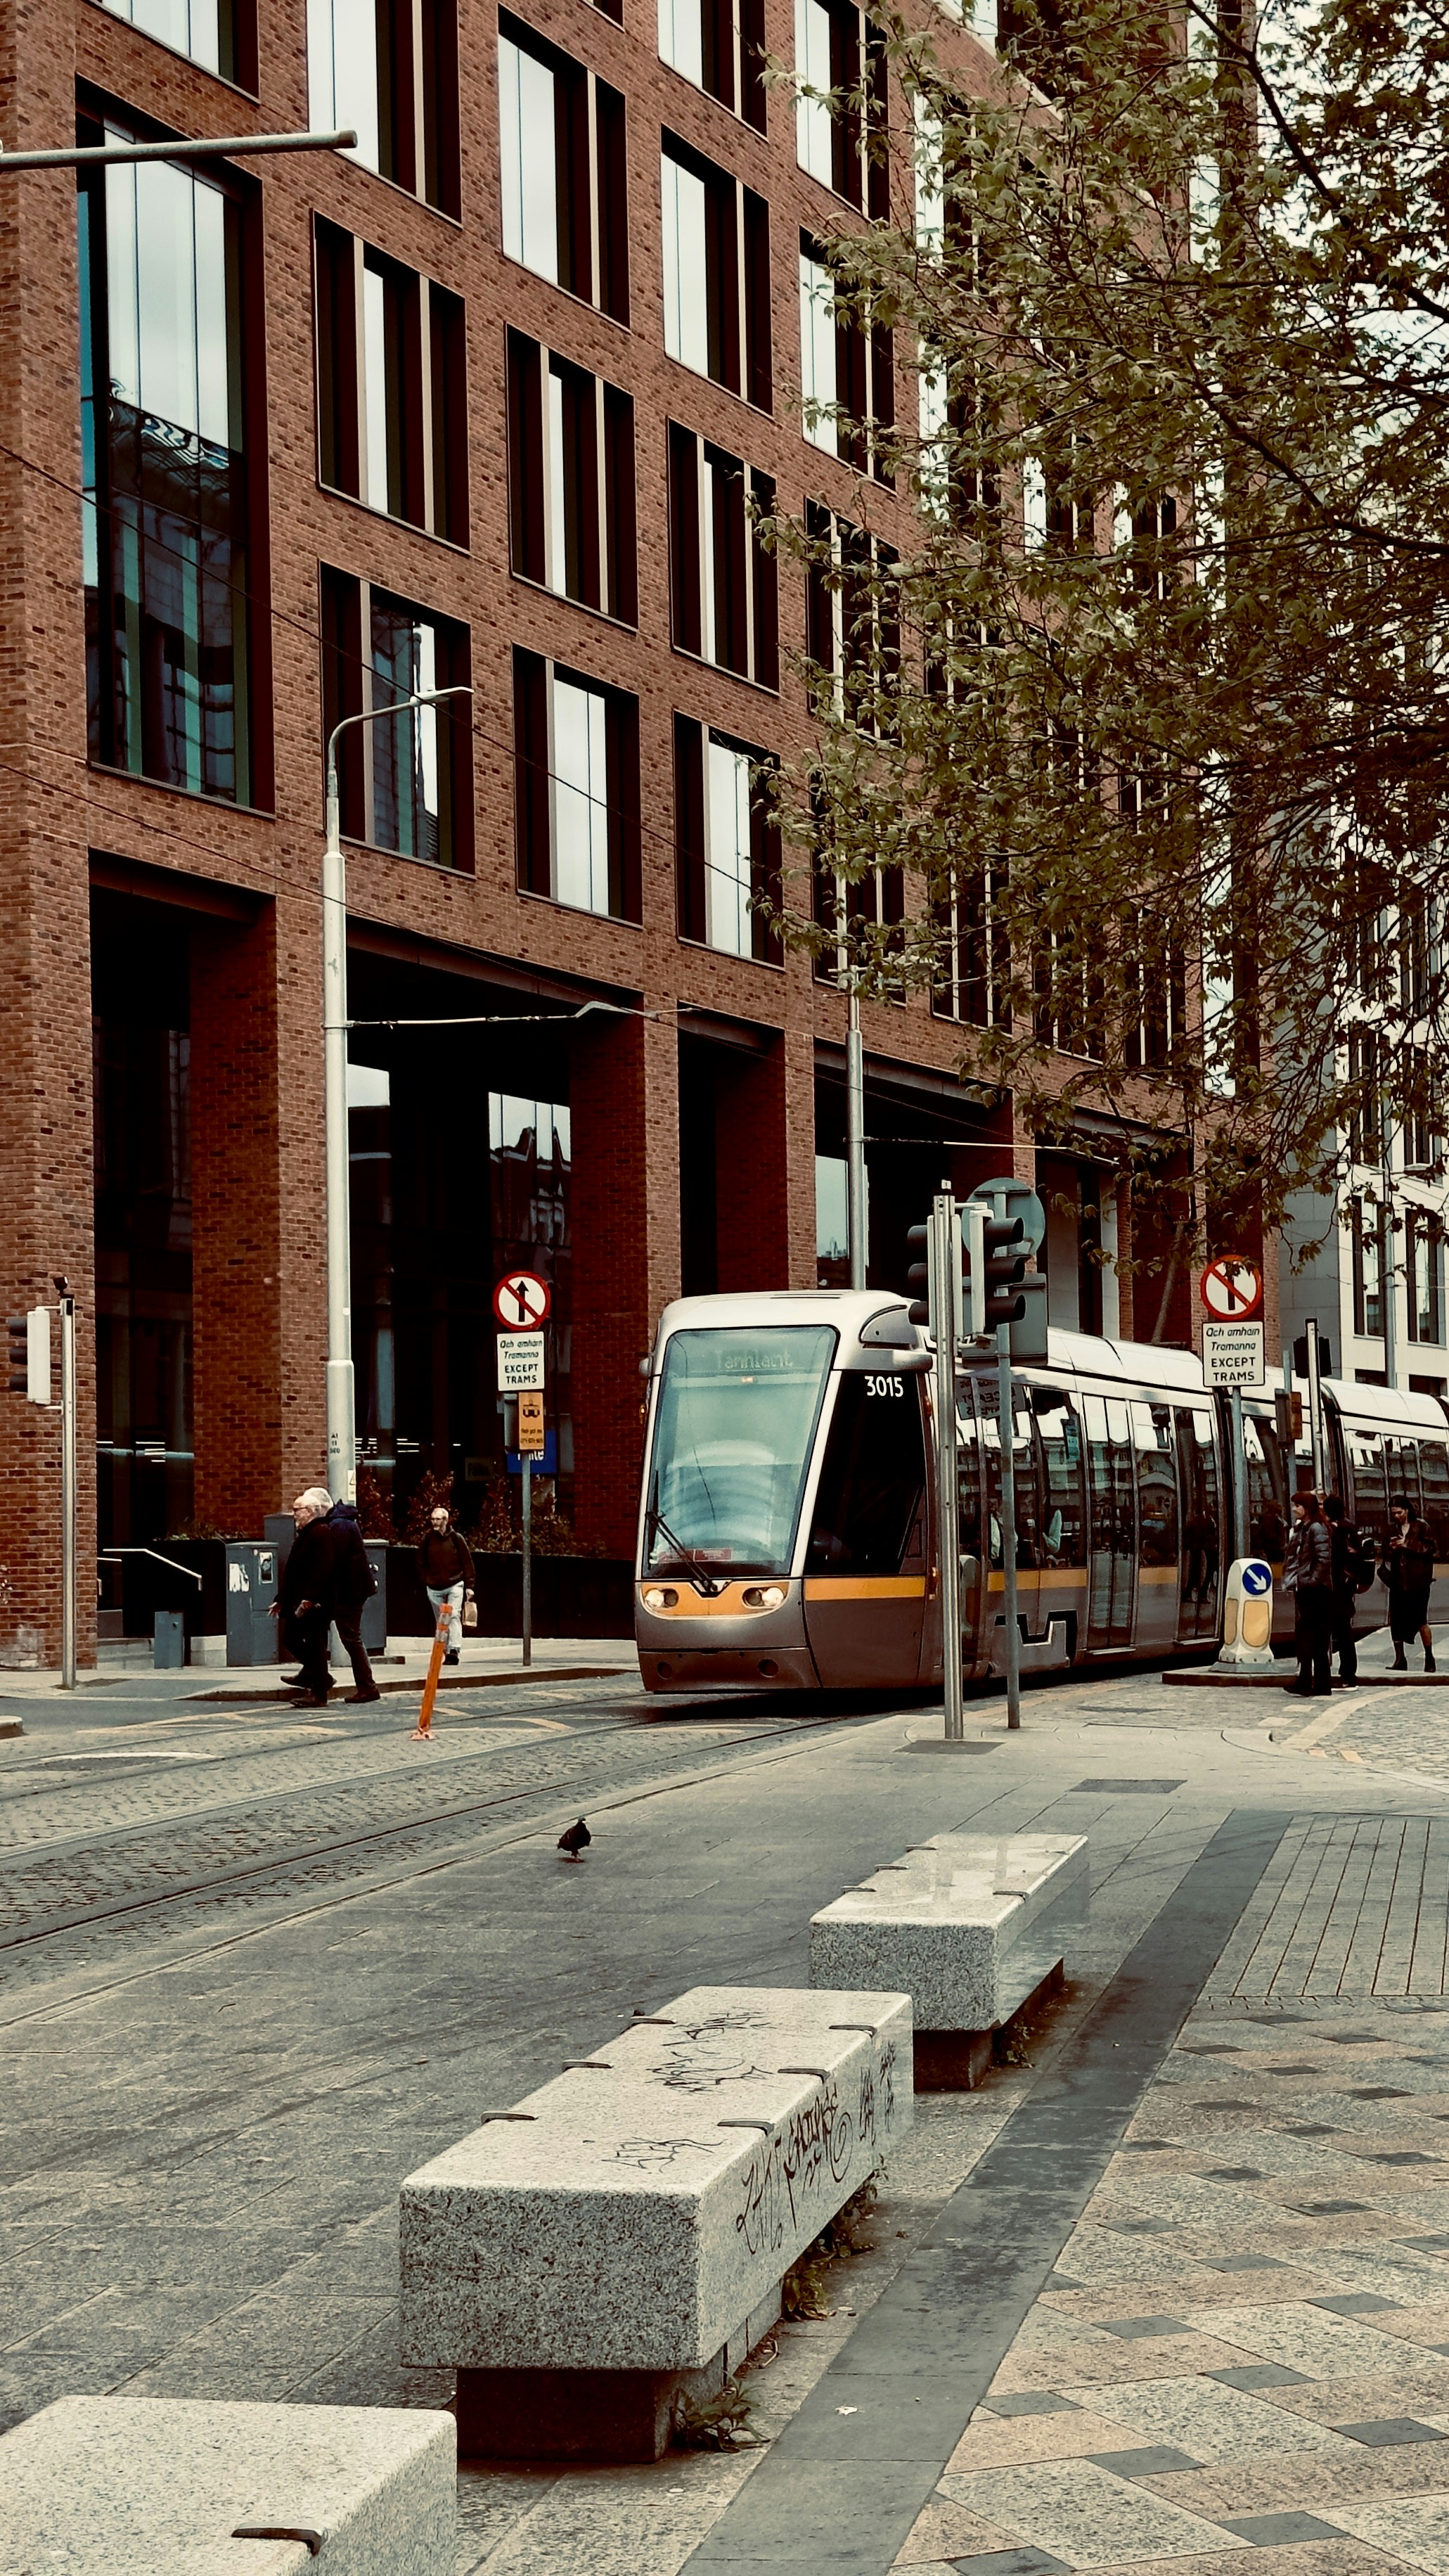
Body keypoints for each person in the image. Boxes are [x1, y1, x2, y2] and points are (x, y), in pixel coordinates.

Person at [273, 1487, 340, 1707]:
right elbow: (294, 1571)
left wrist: (310, 1598)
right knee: (291, 1639)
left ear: (311, 1511)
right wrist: (281, 1598)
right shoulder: (307, 1533)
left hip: (314, 1603)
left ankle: (319, 1691)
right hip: (299, 1600)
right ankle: (320, 1678)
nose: (294, 1514)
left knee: (314, 1645)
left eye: (297, 1510)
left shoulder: (320, 1533)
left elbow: (323, 1569)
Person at [327, 1497, 381, 1703]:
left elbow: (336, 1559)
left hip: (348, 1592)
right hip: (353, 1590)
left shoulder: (339, 1524)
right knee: (351, 1637)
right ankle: (366, 1686)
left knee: (351, 1637)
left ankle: (367, 1687)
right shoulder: (344, 1522)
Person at [1281, 1490, 1334, 1696]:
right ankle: (1318, 1684)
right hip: (1310, 1589)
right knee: (1313, 1639)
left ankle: (1308, 1683)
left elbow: (1323, 1559)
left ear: (1307, 1508)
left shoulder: (1316, 1529)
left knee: (1309, 1638)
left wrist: (1310, 1582)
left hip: (1315, 1592)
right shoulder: (1305, 1528)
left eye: (1298, 1506)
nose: (1294, 1509)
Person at [1382, 1495, 1437, 1672]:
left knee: (1421, 1620)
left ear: (1407, 1510)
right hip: (1398, 1581)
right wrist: (1391, 1548)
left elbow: (1433, 1549)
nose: (1396, 1516)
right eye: (1393, 1513)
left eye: (1399, 1512)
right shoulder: (1392, 1529)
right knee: (1396, 1620)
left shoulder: (1421, 1526)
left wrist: (1407, 1545)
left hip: (1418, 1581)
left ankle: (1429, 1657)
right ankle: (1400, 1659)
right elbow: (1384, 1552)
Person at [417, 1504, 475, 1665]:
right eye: (433, 1519)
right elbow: (421, 1561)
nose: (435, 1522)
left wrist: (470, 1586)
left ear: (446, 1520)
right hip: (434, 1587)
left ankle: (454, 1650)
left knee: (454, 1615)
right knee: (442, 1622)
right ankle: (444, 1649)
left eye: (438, 1519)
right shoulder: (428, 1539)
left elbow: (467, 1563)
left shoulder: (456, 1539)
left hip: (455, 1584)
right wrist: (426, 1579)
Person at [1320, 1492, 1360, 1688]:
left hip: (1333, 1588)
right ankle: (1348, 1673)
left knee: (1324, 1631)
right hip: (1347, 1587)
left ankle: (1325, 1674)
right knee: (1345, 1633)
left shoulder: (1333, 1532)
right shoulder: (1352, 1529)